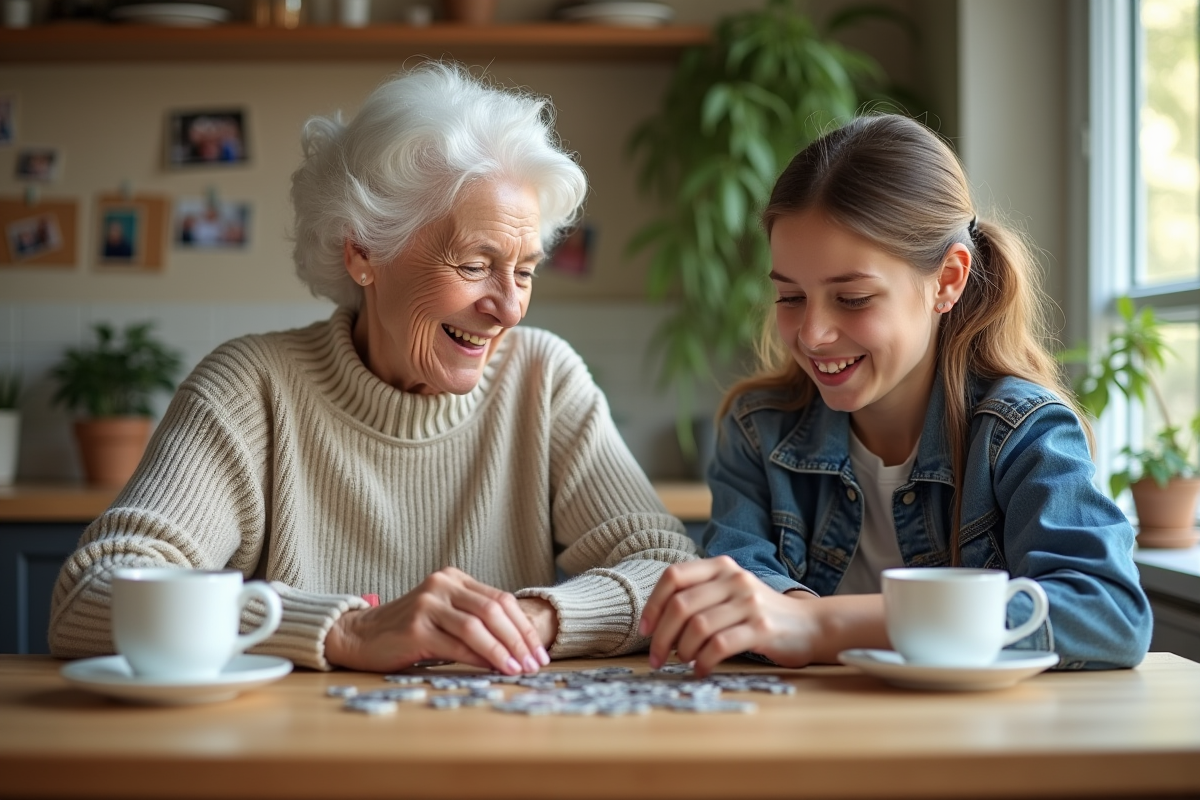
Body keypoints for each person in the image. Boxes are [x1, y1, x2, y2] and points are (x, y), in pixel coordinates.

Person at [49, 63, 697, 673]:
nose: (508, 308)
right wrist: (348, 631)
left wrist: (530, 620)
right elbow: (90, 595)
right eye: (475, 265)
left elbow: (668, 571)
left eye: (524, 271)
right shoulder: (250, 390)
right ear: (363, 252)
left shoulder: (544, 380)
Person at [639, 114, 1152, 676]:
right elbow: (739, 587)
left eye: (853, 298)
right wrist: (782, 615)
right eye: (790, 297)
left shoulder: (1020, 431)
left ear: (947, 280)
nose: (812, 334)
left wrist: (817, 624)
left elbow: (1110, 613)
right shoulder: (758, 428)